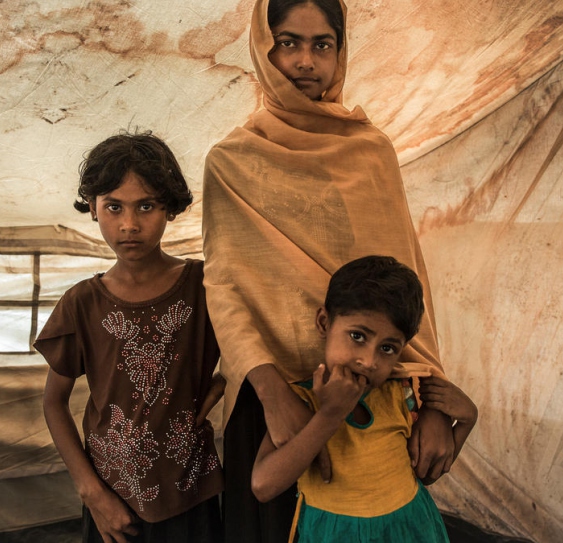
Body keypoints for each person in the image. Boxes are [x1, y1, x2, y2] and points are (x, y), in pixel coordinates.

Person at [201, 0, 460, 540]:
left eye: (323, 44)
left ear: (340, 53)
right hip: (277, 403)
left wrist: (434, 400)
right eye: (288, 42)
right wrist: (275, 399)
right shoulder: (230, 161)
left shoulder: (371, 152)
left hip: (377, 390)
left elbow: (408, 280)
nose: (305, 60)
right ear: (262, 49)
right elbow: (224, 289)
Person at [36, 132, 225, 543]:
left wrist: (223, 380)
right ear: (93, 208)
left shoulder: (205, 285)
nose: (129, 224)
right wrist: (91, 492)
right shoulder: (82, 303)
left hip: (191, 491)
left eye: (147, 206)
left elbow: (255, 339)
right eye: (113, 207)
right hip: (112, 502)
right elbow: (53, 402)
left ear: (170, 209)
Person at [251, 255, 478, 542]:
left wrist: (467, 421)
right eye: (358, 336)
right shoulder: (300, 401)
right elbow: (263, 485)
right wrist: (329, 415)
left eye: (387, 348)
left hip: (412, 529)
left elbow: (426, 474)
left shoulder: (400, 393)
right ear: (324, 323)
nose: (369, 361)